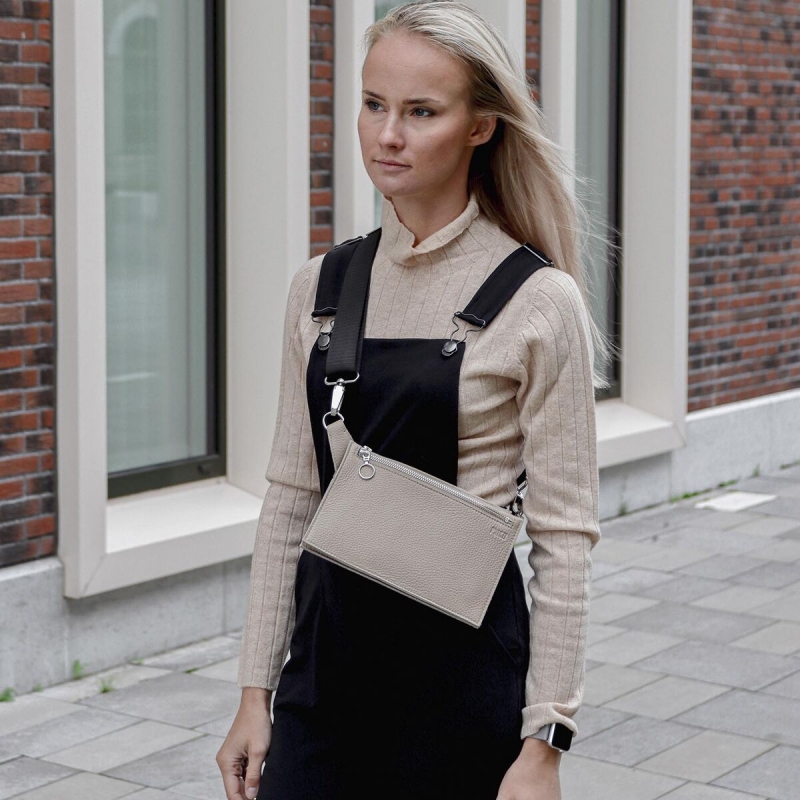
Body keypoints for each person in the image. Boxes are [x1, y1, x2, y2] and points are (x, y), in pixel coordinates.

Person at [217, 3, 613, 798]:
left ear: (480, 127)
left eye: (421, 112)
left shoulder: (539, 301)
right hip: (324, 685)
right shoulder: (320, 289)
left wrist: (545, 743)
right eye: (374, 105)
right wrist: (254, 696)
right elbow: (290, 501)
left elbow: (564, 538)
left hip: (462, 690)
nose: (387, 135)